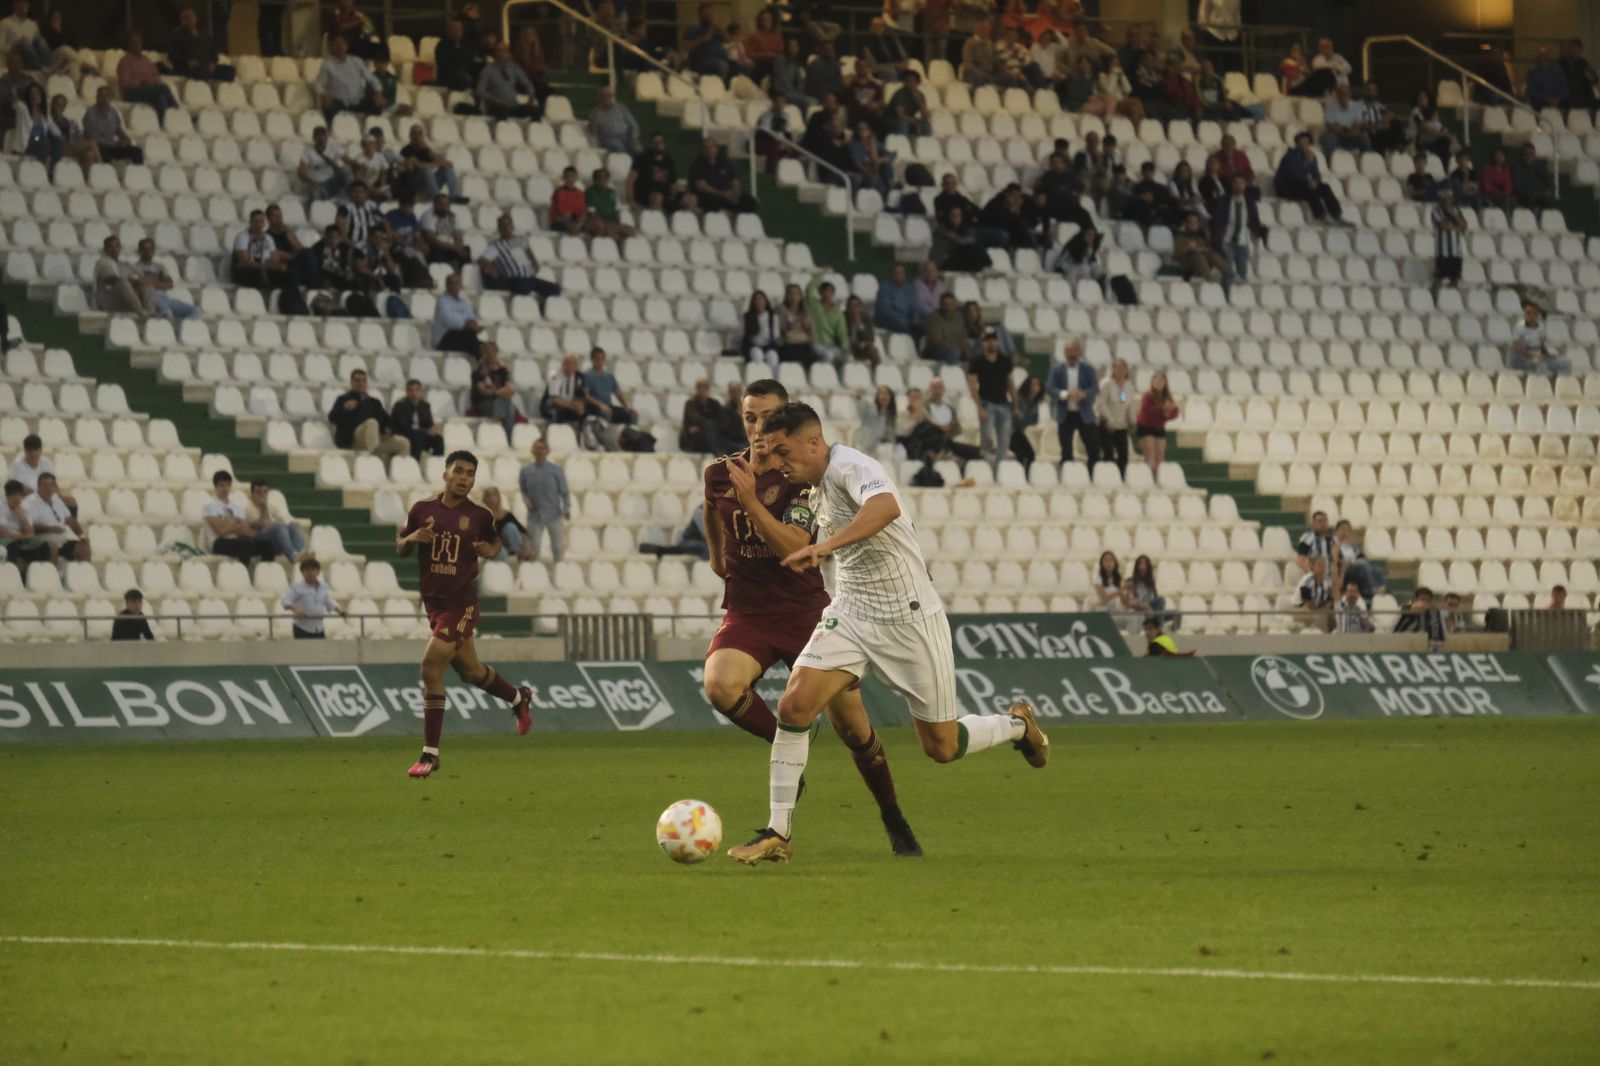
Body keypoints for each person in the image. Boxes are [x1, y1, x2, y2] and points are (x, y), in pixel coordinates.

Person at [726, 402, 1050, 865]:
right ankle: (779, 832)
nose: (778, 463)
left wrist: (827, 546)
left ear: (814, 443)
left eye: (784, 451)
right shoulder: (814, 486)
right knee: (794, 705)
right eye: (772, 454)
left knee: (941, 745)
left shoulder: (852, 466)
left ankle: (1018, 726)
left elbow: (885, 506)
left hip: (910, 617)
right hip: (852, 614)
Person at [703, 380, 920, 857]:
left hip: (806, 613)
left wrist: (752, 503)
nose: (758, 428)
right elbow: (711, 510)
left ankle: (893, 816)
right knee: (719, 686)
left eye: (767, 417)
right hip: (749, 611)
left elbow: (797, 550)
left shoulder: (802, 479)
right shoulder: (720, 474)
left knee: (855, 732)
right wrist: (718, 556)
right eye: (749, 418)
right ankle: (786, 756)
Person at [397, 451, 536, 777]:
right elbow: (400, 545)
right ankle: (518, 698)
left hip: (461, 606)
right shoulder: (422, 510)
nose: (464, 478)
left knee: (430, 667)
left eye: (470, 474)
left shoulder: (479, 516)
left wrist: (492, 550)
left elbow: (495, 543)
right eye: (458, 471)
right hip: (433, 605)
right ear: (445, 474)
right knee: (472, 672)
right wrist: (412, 538)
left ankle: (430, 754)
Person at [328, 368, 409, 458]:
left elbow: (387, 420)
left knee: (403, 443)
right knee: (371, 423)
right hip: (352, 441)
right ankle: (375, 462)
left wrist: (388, 431)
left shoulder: (374, 402)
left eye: (364, 380)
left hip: (374, 440)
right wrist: (344, 409)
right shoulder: (344, 399)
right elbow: (332, 418)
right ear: (351, 383)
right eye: (357, 380)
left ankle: (397, 470)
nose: (361, 383)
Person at [479, 213, 560, 302]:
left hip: (530, 278)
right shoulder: (495, 246)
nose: (507, 228)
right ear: (499, 228)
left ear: (512, 226)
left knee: (555, 289)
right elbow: (482, 260)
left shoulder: (520, 240)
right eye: (503, 225)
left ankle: (542, 303)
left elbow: (529, 253)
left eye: (509, 225)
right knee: (522, 286)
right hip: (514, 279)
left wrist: (534, 263)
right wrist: (491, 268)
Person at [967, 328, 1015, 471]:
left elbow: (1010, 384)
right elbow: (973, 385)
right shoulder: (977, 361)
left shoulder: (1005, 361)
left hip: (1004, 404)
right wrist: (979, 407)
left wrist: (1015, 404)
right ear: (983, 343)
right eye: (987, 340)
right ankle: (986, 469)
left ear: (998, 342)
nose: (991, 343)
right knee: (987, 439)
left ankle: (1000, 469)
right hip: (987, 403)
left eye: (993, 340)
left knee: (1005, 440)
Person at [517, 437, 569, 562]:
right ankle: (534, 575)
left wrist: (567, 508)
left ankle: (560, 572)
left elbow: (564, 491)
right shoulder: (525, 471)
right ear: (532, 451)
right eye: (536, 448)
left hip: (554, 515)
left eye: (542, 448)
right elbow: (523, 490)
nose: (539, 451)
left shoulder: (556, 470)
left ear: (547, 451)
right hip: (535, 516)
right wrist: (526, 501)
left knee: (557, 547)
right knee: (534, 548)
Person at [1046, 340, 1098, 464]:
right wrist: (1065, 394)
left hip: (1091, 415)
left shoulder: (1124, 387)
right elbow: (1050, 388)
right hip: (1066, 413)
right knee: (1066, 448)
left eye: (1074, 351)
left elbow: (1121, 400)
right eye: (1069, 351)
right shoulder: (1057, 369)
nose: (1072, 354)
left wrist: (1084, 394)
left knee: (1095, 448)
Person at [201, 470, 268, 565]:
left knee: (267, 545)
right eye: (221, 485)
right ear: (215, 486)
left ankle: (264, 574)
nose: (225, 489)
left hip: (236, 539)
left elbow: (245, 529)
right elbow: (220, 531)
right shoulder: (210, 505)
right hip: (218, 542)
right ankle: (242, 574)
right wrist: (238, 527)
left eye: (227, 485)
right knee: (245, 545)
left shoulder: (236, 507)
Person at [1274, 132, 1343, 223]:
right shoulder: (1289, 156)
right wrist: (1307, 163)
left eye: (1307, 143)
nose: (1305, 145)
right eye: (1302, 143)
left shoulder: (1310, 156)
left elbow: (1316, 175)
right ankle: (1320, 216)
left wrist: (1315, 182)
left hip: (1302, 185)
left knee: (1324, 187)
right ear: (1297, 144)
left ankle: (1337, 215)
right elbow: (1294, 175)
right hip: (1287, 188)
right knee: (1309, 191)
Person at [1210, 176, 1264, 282]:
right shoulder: (1224, 201)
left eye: (1241, 182)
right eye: (1235, 182)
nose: (1238, 185)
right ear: (1231, 185)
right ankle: (1226, 294)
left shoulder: (1249, 201)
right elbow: (1217, 222)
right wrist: (1219, 240)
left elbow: (1254, 221)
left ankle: (1240, 296)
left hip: (1243, 241)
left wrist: (1255, 238)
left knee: (1242, 272)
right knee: (1227, 270)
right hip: (1227, 241)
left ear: (1245, 185)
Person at [116, 32, 178, 121]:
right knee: (164, 88)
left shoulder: (146, 60)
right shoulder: (125, 61)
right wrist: (141, 80)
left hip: (149, 89)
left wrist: (150, 81)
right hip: (132, 92)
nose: (138, 44)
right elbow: (125, 83)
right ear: (129, 44)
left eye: (140, 41)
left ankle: (162, 124)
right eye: (134, 42)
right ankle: (177, 111)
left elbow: (156, 76)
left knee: (161, 99)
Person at [280, 555, 343, 639]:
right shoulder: (297, 587)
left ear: (318, 572)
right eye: (307, 570)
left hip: (319, 628)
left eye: (313, 569)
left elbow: (328, 602)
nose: (310, 573)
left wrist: (340, 612)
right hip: (302, 629)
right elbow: (285, 600)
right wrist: (295, 609)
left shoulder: (323, 587)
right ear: (302, 572)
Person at [688, 137, 756, 214]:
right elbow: (702, 186)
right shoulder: (698, 164)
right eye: (706, 147)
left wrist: (735, 195)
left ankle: (738, 222)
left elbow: (735, 181)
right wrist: (723, 194)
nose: (710, 150)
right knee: (713, 201)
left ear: (716, 149)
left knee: (749, 201)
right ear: (702, 150)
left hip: (728, 195)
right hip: (710, 196)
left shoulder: (723, 162)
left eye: (712, 147)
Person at [399, 123, 465, 203]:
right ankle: (437, 199)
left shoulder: (424, 150)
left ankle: (455, 196)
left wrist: (428, 151)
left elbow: (448, 164)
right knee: (426, 170)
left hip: (428, 186)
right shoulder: (406, 150)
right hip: (416, 188)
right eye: (414, 133)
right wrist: (437, 163)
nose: (417, 136)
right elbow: (419, 166)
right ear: (410, 135)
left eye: (420, 133)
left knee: (446, 169)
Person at [476, 40, 539, 121]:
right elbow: (479, 91)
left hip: (513, 105)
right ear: (495, 53)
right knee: (502, 110)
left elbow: (527, 83)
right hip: (496, 106)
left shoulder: (514, 68)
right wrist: (493, 99)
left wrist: (531, 96)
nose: (503, 54)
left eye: (505, 51)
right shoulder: (488, 70)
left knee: (534, 109)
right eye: (500, 51)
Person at [94, 236, 155, 318]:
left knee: (148, 288)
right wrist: (133, 281)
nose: (114, 249)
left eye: (116, 246)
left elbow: (143, 278)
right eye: (110, 247)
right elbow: (111, 280)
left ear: (120, 248)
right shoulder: (104, 262)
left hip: (123, 301)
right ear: (105, 249)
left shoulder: (125, 264)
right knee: (123, 283)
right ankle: (141, 313)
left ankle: (150, 314)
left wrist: (139, 281)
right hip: (106, 302)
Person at [1092, 357, 1135, 473]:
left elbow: (1124, 403)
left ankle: (1121, 478)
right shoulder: (1106, 384)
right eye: (1117, 368)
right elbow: (1101, 403)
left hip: (1121, 426)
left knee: (1123, 456)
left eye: (1123, 368)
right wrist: (1110, 419)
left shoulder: (1127, 387)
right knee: (1108, 454)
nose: (1120, 370)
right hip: (1106, 425)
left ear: (1127, 370)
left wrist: (1132, 420)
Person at [167, 6, 233, 81]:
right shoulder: (177, 35)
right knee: (201, 72)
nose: (189, 20)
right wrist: (187, 62)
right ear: (181, 21)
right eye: (185, 18)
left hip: (207, 66)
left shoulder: (204, 35)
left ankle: (216, 86)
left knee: (230, 71)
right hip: (189, 67)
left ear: (196, 18)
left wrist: (213, 63)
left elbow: (214, 52)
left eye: (190, 17)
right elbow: (172, 55)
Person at [247, 479, 306, 562]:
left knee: (293, 526)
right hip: (258, 542)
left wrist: (289, 525)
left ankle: (302, 554)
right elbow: (263, 525)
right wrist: (264, 509)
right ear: (252, 494)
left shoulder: (271, 508)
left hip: (276, 541)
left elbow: (282, 521)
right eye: (258, 492)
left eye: (265, 492)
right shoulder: (248, 509)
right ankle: (293, 556)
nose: (262, 495)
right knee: (278, 527)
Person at [81, 85, 142, 163]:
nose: (104, 99)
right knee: (104, 152)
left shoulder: (113, 113)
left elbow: (118, 129)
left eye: (106, 96)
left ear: (111, 98)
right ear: (97, 97)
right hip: (98, 147)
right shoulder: (91, 114)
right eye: (101, 96)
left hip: (112, 146)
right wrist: (111, 144)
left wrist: (125, 139)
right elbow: (92, 138)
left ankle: (137, 174)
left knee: (137, 151)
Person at [1509, 302, 1571, 376]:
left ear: (1537, 315)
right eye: (1526, 313)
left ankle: (1559, 385)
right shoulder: (1519, 327)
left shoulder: (1541, 327)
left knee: (1566, 363)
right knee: (1539, 365)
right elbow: (1518, 348)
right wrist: (1533, 354)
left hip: (1539, 358)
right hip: (1523, 359)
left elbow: (1541, 346)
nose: (1528, 316)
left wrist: (1548, 355)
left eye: (1531, 313)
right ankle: (1540, 386)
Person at [470, 343, 518, 437]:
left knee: (506, 404)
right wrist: (500, 392)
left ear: (496, 352)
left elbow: (510, 392)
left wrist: (495, 391)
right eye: (486, 351)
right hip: (484, 404)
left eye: (492, 351)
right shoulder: (478, 372)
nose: (490, 354)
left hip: (501, 402)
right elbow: (484, 391)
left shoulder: (503, 371)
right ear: (483, 353)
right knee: (507, 405)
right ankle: (509, 438)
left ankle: (497, 419)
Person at [1136, 370, 1179, 473]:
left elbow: (1174, 411)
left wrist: (1168, 412)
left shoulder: (1167, 396)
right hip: (1145, 427)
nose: (1159, 382)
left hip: (1158, 428)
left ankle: (1159, 478)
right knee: (1150, 455)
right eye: (1157, 380)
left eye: (1162, 380)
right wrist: (1163, 409)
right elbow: (1147, 411)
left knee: (1160, 455)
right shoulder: (1147, 395)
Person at [1173, 212, 1232, 286]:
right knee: (1196, 254)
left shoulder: (1202, 236)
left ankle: (1229, 274)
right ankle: (1209, 278)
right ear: (1187, 224)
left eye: (1196, 222)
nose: (1194, 224)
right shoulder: (1181, 237)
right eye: (1191, 222)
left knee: (1212, 254)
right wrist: (1188, 248)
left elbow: (1208, 249)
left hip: (1202, 265)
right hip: (1187, 264)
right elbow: (1176, 255)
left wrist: (1202, 249)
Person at [431, 273, 482, 357]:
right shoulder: (442, 302)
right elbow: (450, 322)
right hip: (444, 339)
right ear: (447, 285)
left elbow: (471, 318)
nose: (455, 286)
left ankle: (480, 358)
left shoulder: (464, 302)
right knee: (469, 336)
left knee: (479, 343)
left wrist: (471, 324)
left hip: (461, 337)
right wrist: (468, 324)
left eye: (457, 283)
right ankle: (480, 359)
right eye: (452, 283)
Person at [391, 378, 444, 459]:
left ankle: (436, 464)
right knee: (417, 436)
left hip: (421, 436)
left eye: (416, 390)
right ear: (407, 392)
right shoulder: (400, 406)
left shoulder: (425, 406)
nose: (414, 393)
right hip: (405, 435)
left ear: (421, 391)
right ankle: (414, 465)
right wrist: (425, 431)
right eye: (411, 391)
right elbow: (405, 427)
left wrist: (433, 429)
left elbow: (429, 424)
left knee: (438, 439)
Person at [680, 378, 736, 454]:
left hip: (713, 439)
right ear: (696, 388)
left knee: (737, 446)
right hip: (695, 440)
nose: (703, 389)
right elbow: (696, 418)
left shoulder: (714, 403)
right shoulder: (690, 403)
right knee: (708, 425)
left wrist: (704, 426)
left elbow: (722, 421)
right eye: (700, 386)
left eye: (705, 386)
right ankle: (719, 452)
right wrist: (709, 425)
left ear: (708, 388)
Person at [582, 347, 635, 425]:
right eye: (597, 359)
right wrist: (600, 405)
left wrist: (626, 404)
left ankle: (627, 435)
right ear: (592, 360)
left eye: (602, 359)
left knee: (632, 414)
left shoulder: (609, 376)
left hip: (608, 406)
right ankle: (604, 436)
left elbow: (618, 393)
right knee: (606, 413)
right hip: (594, 407)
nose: (600, 362)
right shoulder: (587, 375)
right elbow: (586, 396)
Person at [297, 126, 352, 201]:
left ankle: (353, 196)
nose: (321, 140)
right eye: (318, 137)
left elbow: (348, 161)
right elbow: (301, 172)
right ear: (314, 138)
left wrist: (358, 166)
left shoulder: (333, 145)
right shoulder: (308, 152)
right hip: (317, 184)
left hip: (331, 183)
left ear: (326, 137)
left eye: (323, 137)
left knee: (346, 170)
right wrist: (310, 181)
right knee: (315, 195)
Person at [419, 192, 472, 268]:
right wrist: (454, 248)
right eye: (441, 205)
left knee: (465, 250)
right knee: (436, 250)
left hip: (450, 247)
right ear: (435, 204)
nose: (444, 208)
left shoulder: (452, 216)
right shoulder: (428, 216)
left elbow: (458, 235)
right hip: (435, 247)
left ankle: (462, 274)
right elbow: (432, 239)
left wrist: (459, 248)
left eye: (446, 205)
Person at [1431, 187, 1467, 296]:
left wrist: (1454, 216)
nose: (1447, 201)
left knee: (1455, 278)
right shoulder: (1436, 211)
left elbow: (1464, 227)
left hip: (1456, 251)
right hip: (1443, 252)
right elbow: (1443, 226)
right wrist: (1457, 226)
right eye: (1444, 199)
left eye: (1449, 199)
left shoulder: (1457, 211)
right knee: (1439, 277)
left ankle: (1450, 299)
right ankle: (1434, 300)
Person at [431, 15, 482, 92]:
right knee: (460, 76)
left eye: (459, 29)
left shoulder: (466, 44)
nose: (457, 32)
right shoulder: (442, 45)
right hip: (448, 76)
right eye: (453, 29)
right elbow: (447, 64)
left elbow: (472, 59)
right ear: (449, 30)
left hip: (467, 74)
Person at [1319, 83, 1369, 161]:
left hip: (1351, 136)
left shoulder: (1357, 106)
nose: (1344, 96)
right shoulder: (1330, 106)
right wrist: (1345, 130)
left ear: (1350, 94)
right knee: (1329, 138)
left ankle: (1368, 164)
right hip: (1336, 137)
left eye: (1346, 93)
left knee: (1364, 139)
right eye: (1341, 93)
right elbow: (1330, 126)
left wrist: (1344, 129)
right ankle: (1328, 165)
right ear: (1337, 95)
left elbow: (1357, 127)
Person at [805, 275, 847, 366]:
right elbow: (809, 290)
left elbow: (842, 331)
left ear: (833, 293)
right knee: (828, 356)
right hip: (817, 344)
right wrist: (820, 275)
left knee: (849, 359)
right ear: (820, 293)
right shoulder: (815, 306)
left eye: (830, 291)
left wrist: (845, 347)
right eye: (824, 291)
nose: (827, 294)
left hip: (832, 346)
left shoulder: (838, 312)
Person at [587, 84, 638, 154]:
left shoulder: (621, 108)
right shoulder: (595, 112)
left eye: (609, 95)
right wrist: (593, 120)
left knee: (637, 149)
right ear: (599, 97)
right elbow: (592, 132)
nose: (607, 98)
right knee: (619, 147)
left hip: (626, 136)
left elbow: (633, 124)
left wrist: (634, 137)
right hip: (608, 139)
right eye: (603, 96)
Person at [921, 291, 969, 366]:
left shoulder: (959, 318)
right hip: (935, 350)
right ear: (940, 305)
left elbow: (962, 337)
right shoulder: (934, 317)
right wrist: (958, 347)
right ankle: (950, 375)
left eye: (951, 304)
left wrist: (966, 349)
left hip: (955, 348)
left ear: (954, 305)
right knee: (954, 353)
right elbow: (937, 340)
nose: (948, 307)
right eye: (945, 304)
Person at [873, 263, 920, 337]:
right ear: (891, 274)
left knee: (924, 328)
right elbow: (885, 310)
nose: (900, 275)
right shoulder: (885, 288)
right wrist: (901, 320)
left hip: (907, 320)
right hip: (889, 321)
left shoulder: (908, 288)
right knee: (908, 331)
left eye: (902, 273)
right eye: (897, 273)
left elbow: (915, 306)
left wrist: (915, 317)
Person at [1393, 587, 1446, 652]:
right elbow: (1415, 607)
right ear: (1415, 599)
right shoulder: (1405, 608)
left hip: (1426, 647)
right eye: (1422, 599)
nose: (1425, 602)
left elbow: (1438, 636)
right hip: (1402, 643)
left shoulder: (1433, 613)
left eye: (1428, 600)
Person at [741, 290, 781, 372]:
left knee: (773, 356)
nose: (759, 302)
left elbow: (776, 334)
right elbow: (748, 335)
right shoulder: (748, 316)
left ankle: (773, 380)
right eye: (757, 300)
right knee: (757, 355)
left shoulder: (772, 317)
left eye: (761, 299)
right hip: (753, 345)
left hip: (768, 345)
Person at [540, 353, 586, 424]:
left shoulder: (579, 377)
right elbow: (555, 399)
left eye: (573, 363)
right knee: (559, 412)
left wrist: (580, 406)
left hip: (570, 405)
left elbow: (582, 395)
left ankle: (579, 433)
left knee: (585, 411)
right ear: (563, 364)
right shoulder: (555, 377)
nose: (570, 366)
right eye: (567, 363)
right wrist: (572, 406)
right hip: (553, 405)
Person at [1525, 45, 1568, 110]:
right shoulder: (1532, 72)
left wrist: (1557, 99)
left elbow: (1564, 88)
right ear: (1538, 57)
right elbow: (1532, 90)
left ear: (1548, 56)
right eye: (1541, 55)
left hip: (1557, 101)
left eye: (1545, 55)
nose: (1543, 57)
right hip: (1540, 102)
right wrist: (1547, 99)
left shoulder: (1557, 70)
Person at [1481, 146, 1514, 212]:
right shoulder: (1487, 169)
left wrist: (1505, 193)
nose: (1499, 157)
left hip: (1503, 195)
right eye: (1497, 155)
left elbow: (1508, 185)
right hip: (1490, 195)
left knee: (1512, 200)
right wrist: (1494, 191)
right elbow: (1486, 185)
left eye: (1501, 155)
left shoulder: (1506, 170)